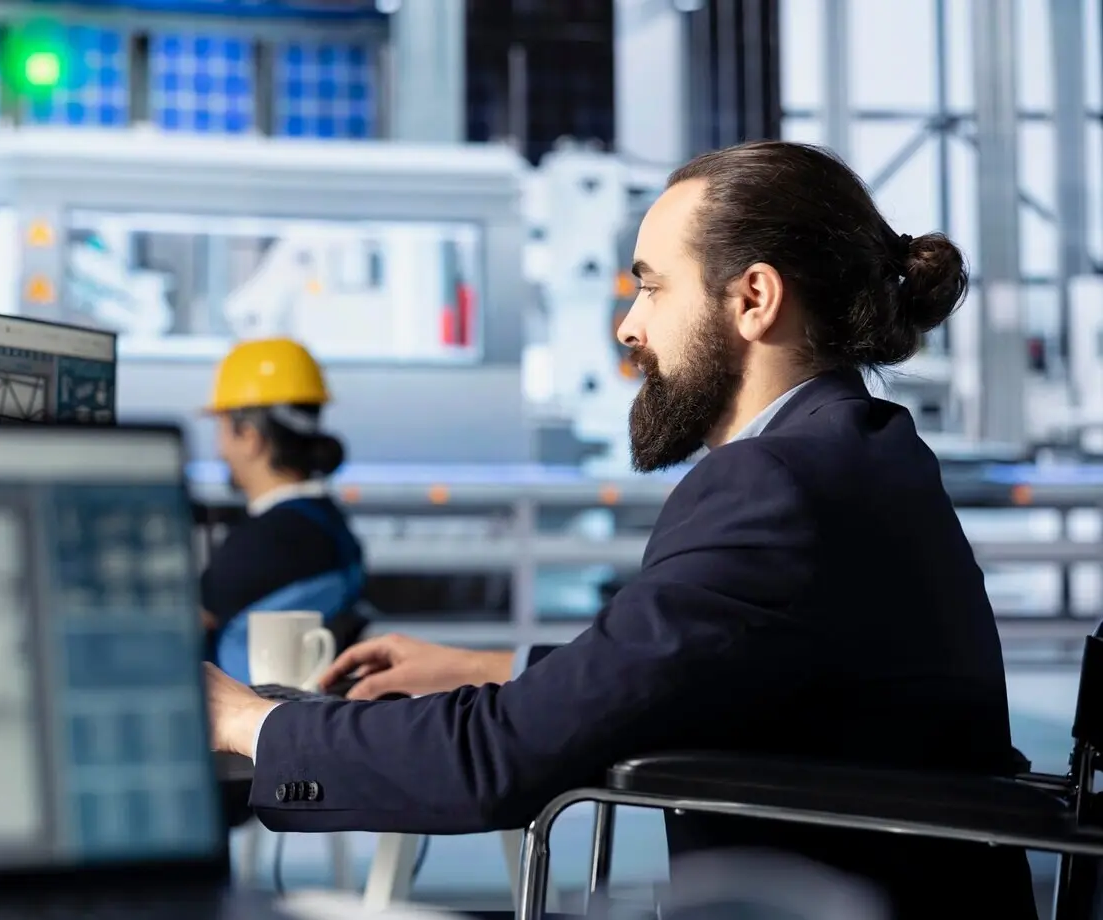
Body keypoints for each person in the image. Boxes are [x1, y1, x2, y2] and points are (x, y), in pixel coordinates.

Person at [205, 142, 1037, 918]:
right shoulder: (863, 447)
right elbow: (722, 669)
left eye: (652, 286)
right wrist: (491, 666)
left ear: (753, 298)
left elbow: (505, 757)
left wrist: (249, 723)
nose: (628, 326)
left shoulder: (772, 484)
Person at [199, 337, 366, 684]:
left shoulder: (256, 546)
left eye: (222, 428)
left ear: (249, 436)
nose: (220, 449)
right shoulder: (330, 525)